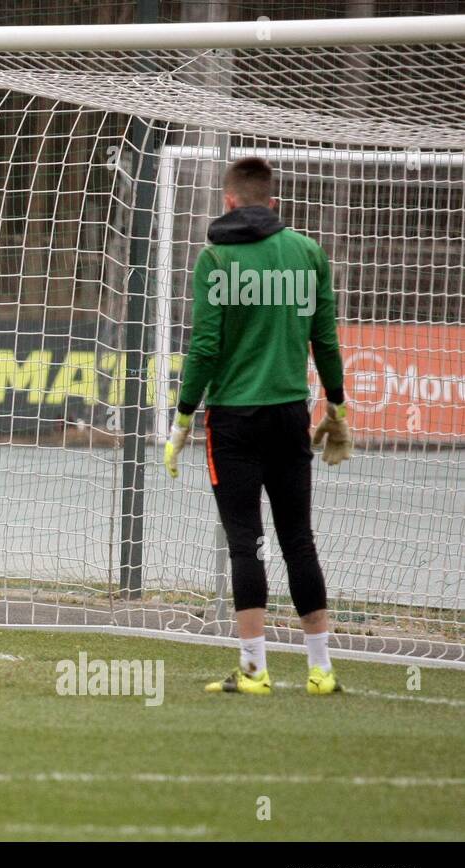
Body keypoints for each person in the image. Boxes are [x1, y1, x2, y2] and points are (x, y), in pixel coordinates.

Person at [164, 156, 351, 696]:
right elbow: (326, 339)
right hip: (291, 412)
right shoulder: (307, 252)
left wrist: (182, 417)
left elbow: (205, 345)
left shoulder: (216, 257)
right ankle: (320, 670)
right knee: (299, 538)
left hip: (234, 421)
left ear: (228, 201)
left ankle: (254, 670)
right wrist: (336, 407)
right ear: (273, 202)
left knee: (246, 542)